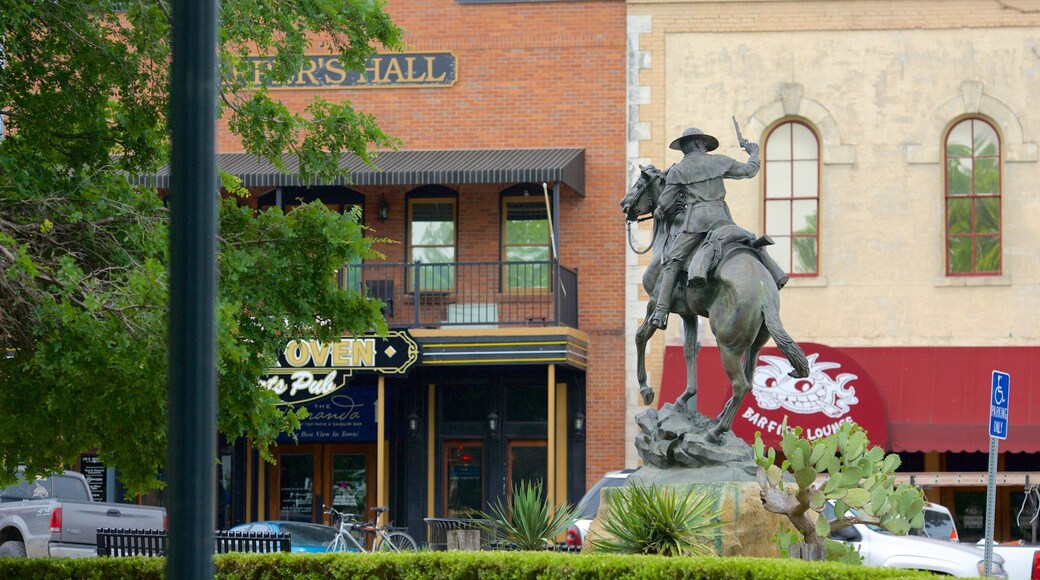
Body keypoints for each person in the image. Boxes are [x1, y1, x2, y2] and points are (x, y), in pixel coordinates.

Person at [648, 127, 788, 330]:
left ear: (690, 145)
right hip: (722, 219)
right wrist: (754, 153)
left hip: (695, 223)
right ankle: (776, 274)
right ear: (700, 144)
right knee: (748, 241)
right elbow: (749, 171)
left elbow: (664, 202)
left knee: (672, 261)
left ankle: (660, 312)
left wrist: (660, 211)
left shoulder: (678, 171)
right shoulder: (719, 161)